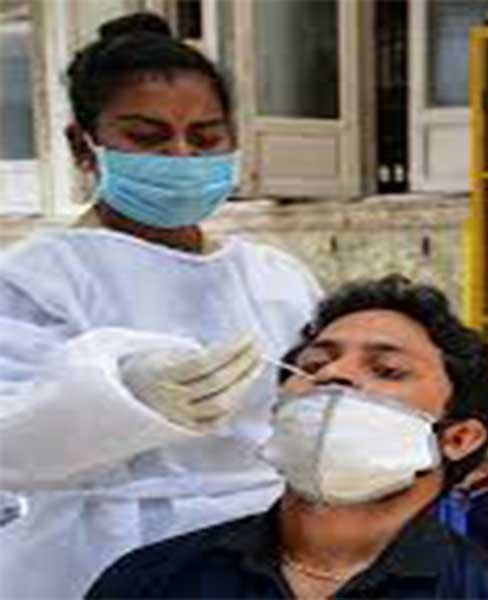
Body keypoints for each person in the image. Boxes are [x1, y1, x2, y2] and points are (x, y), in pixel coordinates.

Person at [0, 13, 321, 598]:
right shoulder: (36, 278)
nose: (180, 156)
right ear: (82, 145)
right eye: (148, 138)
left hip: (261, 550)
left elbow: (321, 401)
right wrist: (119, 396)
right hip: (96, 554)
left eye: (206, 138)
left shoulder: (276, 278)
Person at [87, 275, 488, 599]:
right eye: (313, 364)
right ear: (278, 411)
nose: (333, 375)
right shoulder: (149, 581)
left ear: (458, 438)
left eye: (386, 370)